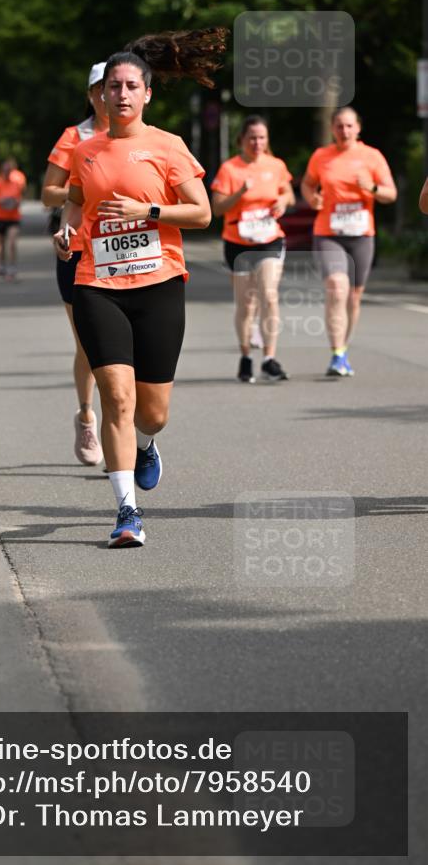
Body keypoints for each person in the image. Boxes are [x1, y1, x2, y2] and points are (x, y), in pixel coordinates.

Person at [55, 29, 226, 547]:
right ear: (102, 94)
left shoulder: (168, 147)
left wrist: (147, 211)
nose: (122, 94)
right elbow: (74, 203)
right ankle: (127, 512)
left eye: (131, 86)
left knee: (152, 413)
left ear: (147, 93)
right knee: (117, 400)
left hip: (158, 284)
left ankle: (147, 444)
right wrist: (67, 233)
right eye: (113, 86)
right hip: (97, 283)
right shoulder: (85, 150)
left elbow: (201, 213)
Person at [42, 62, 109, 466]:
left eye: (118, 87)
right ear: (90, 95)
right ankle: (87, 416)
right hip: (80, 248)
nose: (110, 96)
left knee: (124, 346)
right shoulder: (76, 136)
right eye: (101, 89)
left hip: (126, 252)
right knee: (89, 343)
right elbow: (49, 193)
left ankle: (118, 431)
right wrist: (84, 189)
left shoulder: (143, 138)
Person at [301, 107, 397, 376]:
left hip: (361, 234)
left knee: (354, 297)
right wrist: (312, 198)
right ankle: (336, 353)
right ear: (332, 129)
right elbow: (308, 184)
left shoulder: (372, 156)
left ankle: (343, 349)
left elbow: (391, 194)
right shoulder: (321, 156)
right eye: (339, 126)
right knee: (336, 286)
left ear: (358, 128)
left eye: (349, 126)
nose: (344, 131)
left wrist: (372, 188)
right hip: (328, 232)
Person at [211, 115, 294, 383]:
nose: (257, 143)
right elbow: (217, 208)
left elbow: (289, 194)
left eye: (262, 138)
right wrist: (239, 194)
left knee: (269, 295)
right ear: (242, 140)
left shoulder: (276, 165)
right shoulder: (230, 169)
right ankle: (246, 356)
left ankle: (269, 358)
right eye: (252, 138)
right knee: (246, 305)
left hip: (270, 238)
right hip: (238, 242)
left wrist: (282, 200)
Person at [0, 159, 26, 280]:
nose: (7, 172)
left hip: (13, 217)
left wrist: (14, 202)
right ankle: (1, 265)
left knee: (11, 242)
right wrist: (1, 201)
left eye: (9, 170)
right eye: (5, 170)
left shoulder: (16, 184)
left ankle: (12, 267)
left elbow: (20, 199)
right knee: (0, 244)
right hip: (0, 217)